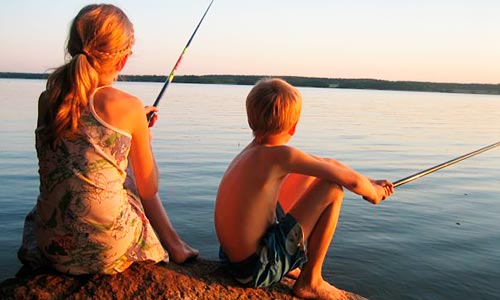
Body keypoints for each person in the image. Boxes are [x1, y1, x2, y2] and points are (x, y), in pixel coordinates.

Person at [18, 4, 198, 275]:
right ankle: (176, 246)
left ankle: (175, 245)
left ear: (72, 47)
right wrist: (143, 137)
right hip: (105, 250)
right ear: (123, 60)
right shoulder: (129, 106)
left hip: (50, 245)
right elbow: (149, 188)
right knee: (131, 183)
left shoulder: (48, 100)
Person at [214, 78, 394, 299]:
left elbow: (327, 164)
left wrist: (371, 181)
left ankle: (286, 265)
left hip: (232, 261)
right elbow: (351, 183)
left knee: (311, 176)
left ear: (251, 119)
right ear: (294, 125)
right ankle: (311, 281)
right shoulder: (283, 156)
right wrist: (373, 193)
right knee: (332, 189)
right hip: (255, 269)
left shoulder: (253, 153)